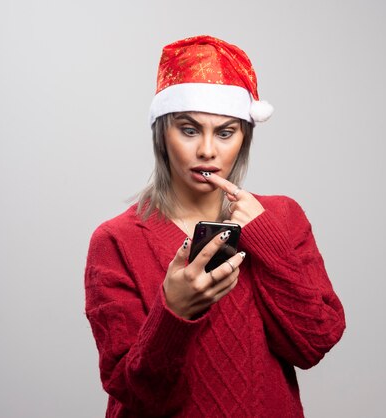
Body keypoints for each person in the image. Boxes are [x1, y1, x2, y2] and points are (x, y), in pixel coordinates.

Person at [84, 35, 345, 418]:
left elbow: (312, 343)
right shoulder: (117, 241)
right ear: (162, 134)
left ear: (244, 138)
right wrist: (174, 311)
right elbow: (137, 395)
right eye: (189, 130)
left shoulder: (282, 218)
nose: (207, 150)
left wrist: (264, 237)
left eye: (225, 132)